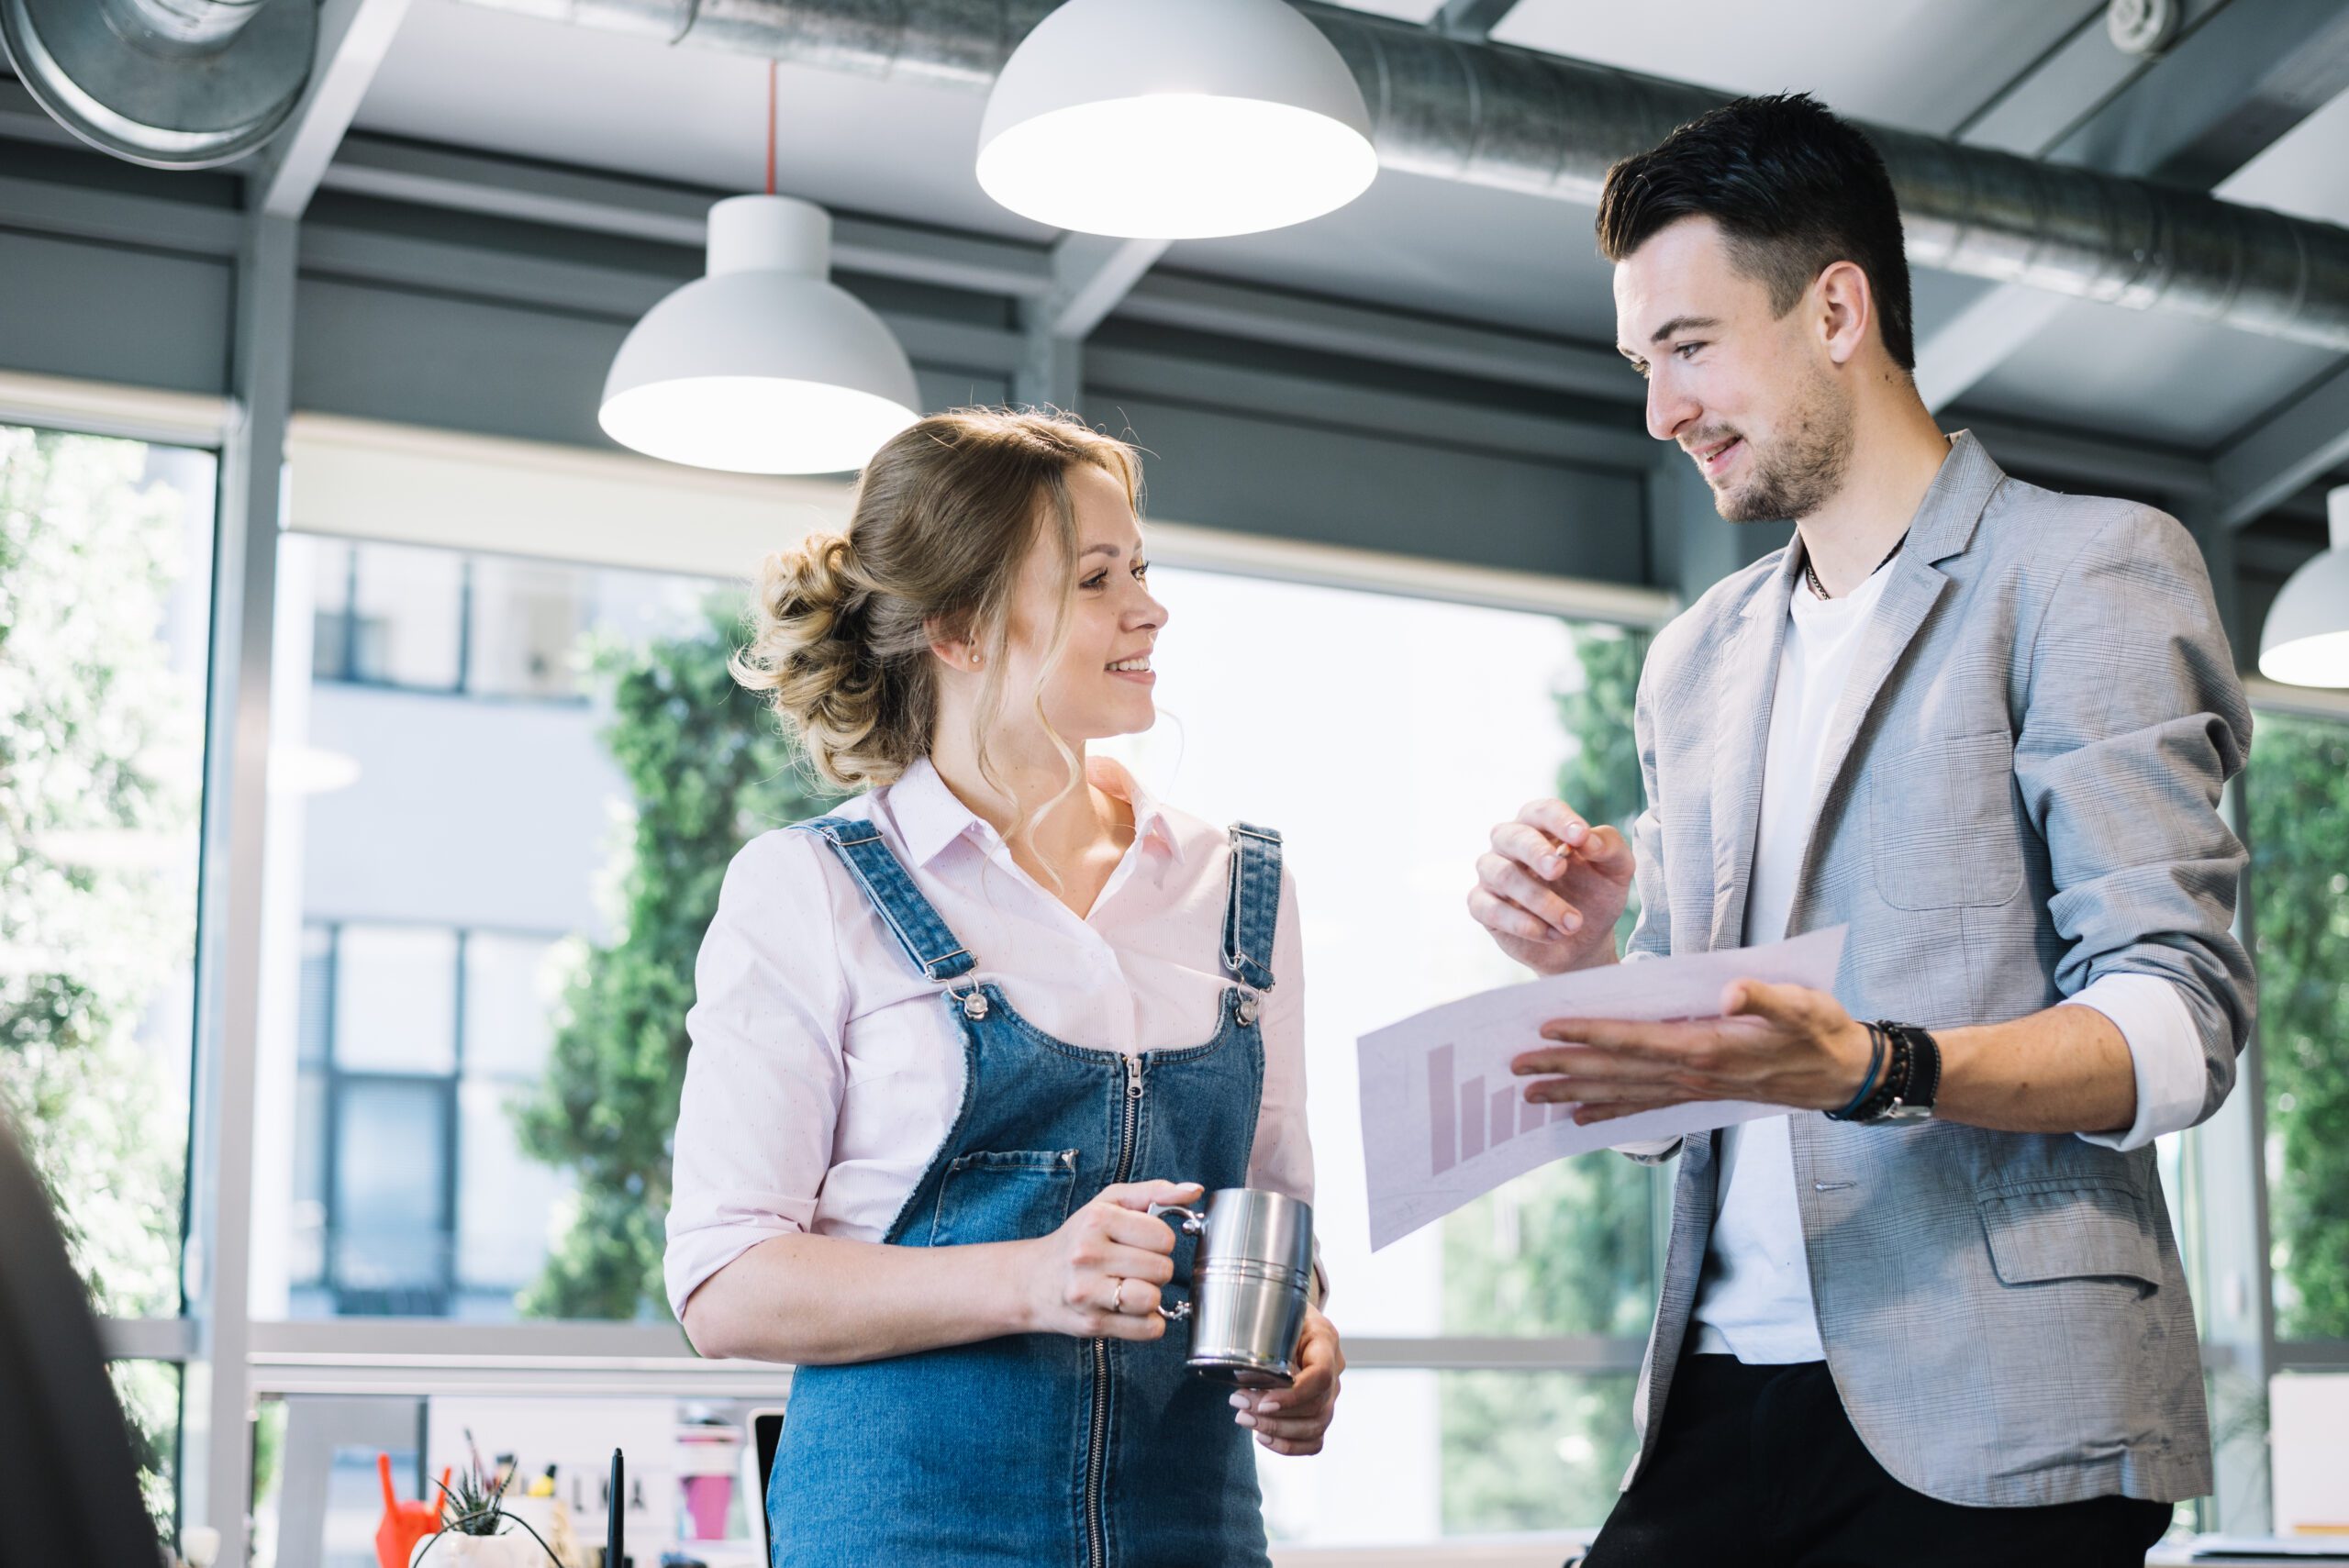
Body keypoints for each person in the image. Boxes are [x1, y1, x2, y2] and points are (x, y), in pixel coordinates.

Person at [1469, 95, 2252, 1565]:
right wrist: (1582, 971)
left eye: (1690, 347)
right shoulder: (1694, 660)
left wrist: (1874, 1067)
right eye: (1645, 364)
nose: (1661, 411)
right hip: (1714, 1394)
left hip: (2001, 1417)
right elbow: (1685, 1103)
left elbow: (2177, 1025)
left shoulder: (2083, 573)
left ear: (1837, 309)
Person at [664, 408, 1342, 1568]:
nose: (1149, 606)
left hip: (1193, 1534)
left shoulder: (1236, 886)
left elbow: (1270, 1215)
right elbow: (725, 1283)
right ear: (961, 628)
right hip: (899, 1533)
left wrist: (1303, 1339)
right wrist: (1030, 1276)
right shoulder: (810, 889)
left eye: (1141, 567)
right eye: (1094, 578)